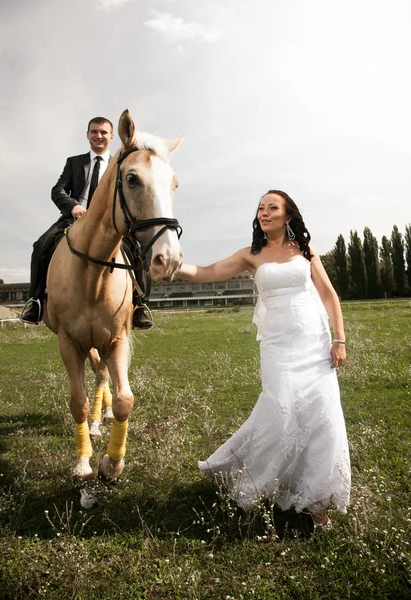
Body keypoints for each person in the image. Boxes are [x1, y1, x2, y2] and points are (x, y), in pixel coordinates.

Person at [177, 190, 351, 530]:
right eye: (260, 208)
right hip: (277, 347)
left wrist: (339, 338)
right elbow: (209, 271)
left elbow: (329, 295)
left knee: (322, 419)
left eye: (273, 207)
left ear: (288, 216)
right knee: (281, 410)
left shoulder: (305, 250)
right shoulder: (250, 254)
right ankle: (251, 479)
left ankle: (314, 501)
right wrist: (174, 267)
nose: (265, 213)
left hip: (314, 345)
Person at [21, 117, 153, 329]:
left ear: (111, 136)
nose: (98, 135)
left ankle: (139, 306)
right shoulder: (73, 162)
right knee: (40, 245)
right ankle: (35, 301)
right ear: (88, 134)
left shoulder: (119, 164)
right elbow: (58, 190)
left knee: (138, 248)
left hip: (109, 223)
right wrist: (72, 206)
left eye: (103, 132)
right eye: (94, 131)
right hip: (73, 219)